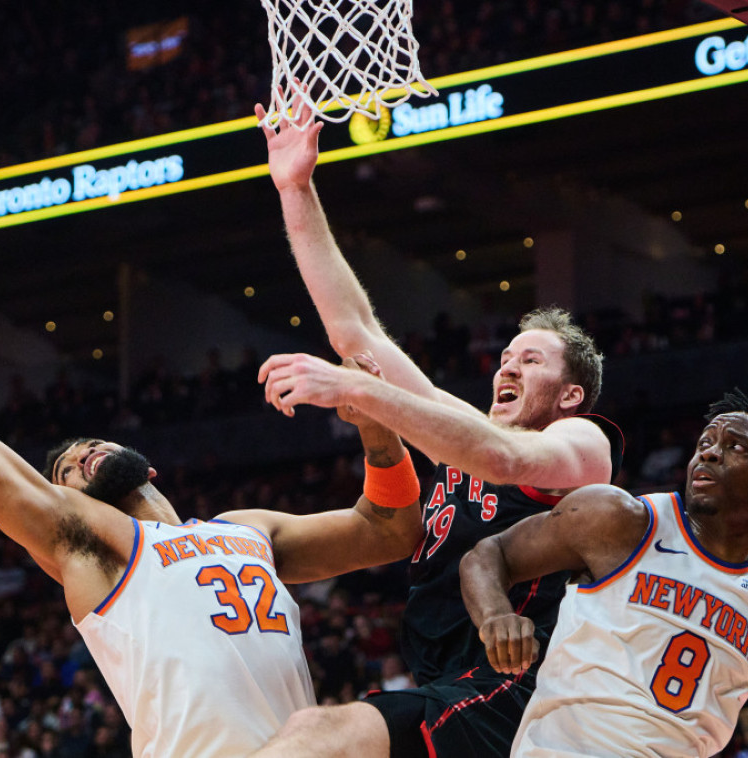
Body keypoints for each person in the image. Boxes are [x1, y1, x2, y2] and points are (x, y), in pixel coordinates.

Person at [0, 179, 425, 758]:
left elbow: (389, 531)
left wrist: (375, 424)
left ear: (149, 467)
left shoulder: (247, 529)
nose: (79, 455)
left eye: (87, 445)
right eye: (66, 470)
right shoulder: (90, 542)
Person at [249, 109, 623, 757]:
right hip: (453, 681)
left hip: (523, 686)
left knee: (320, 734)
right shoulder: (461, 432)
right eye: (506, 356)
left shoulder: (583, 444)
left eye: (532, 360)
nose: (508, 366)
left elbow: (504, 459)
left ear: (570, 395)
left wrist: (358, 391)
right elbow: (355, 331)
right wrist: (295, 188)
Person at [460, 388, 748, 757]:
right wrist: (495, 615)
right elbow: (488, 554)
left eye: (736, 447)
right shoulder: (621, 520)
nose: (709, 452)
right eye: (705, 442)